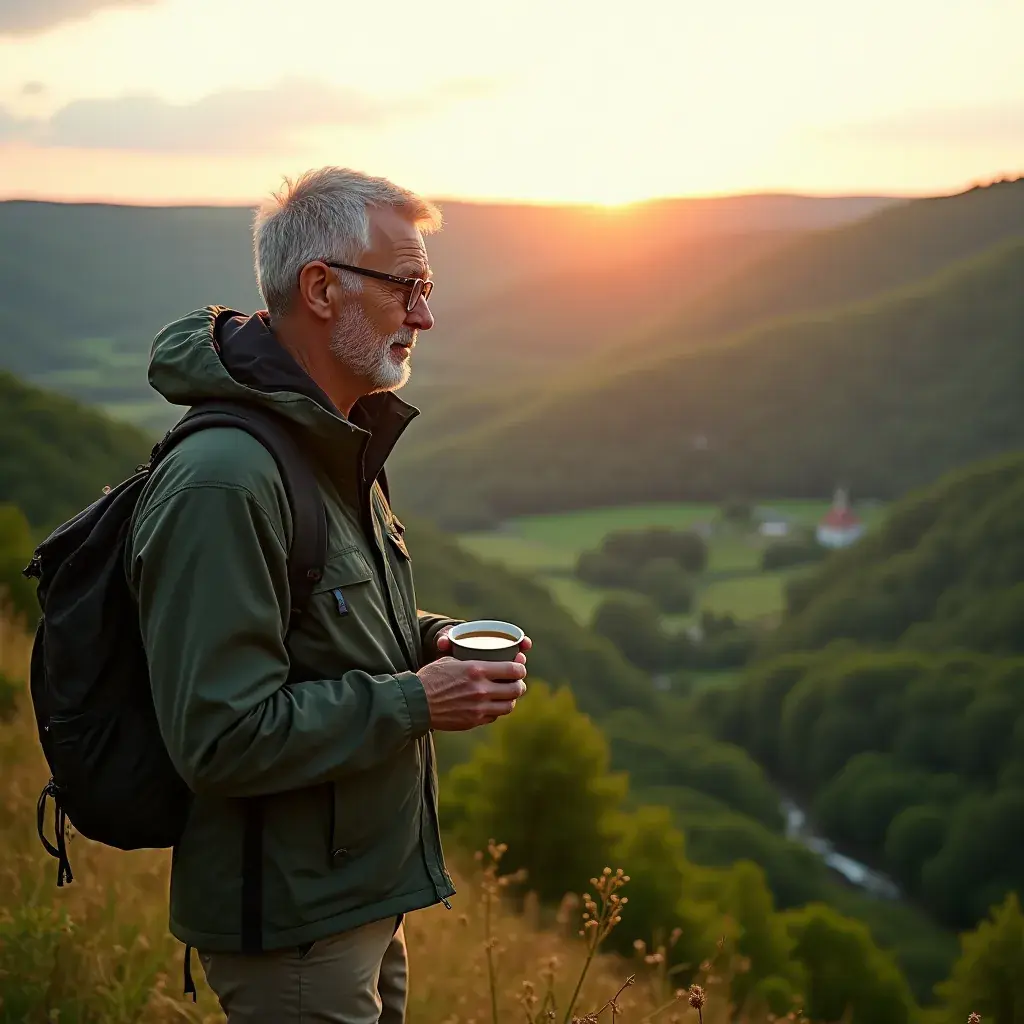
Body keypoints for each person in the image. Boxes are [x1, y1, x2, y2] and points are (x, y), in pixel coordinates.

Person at [125, 167, 531, 1023]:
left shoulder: (328, 443)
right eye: (408, 287)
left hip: (356, 898)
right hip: (293, 929)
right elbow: (222, 736)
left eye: (428, 288)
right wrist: (418, 701)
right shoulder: (226, 481)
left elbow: (317, 623)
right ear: (320, 288)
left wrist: (431, 639)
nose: (425, 314)